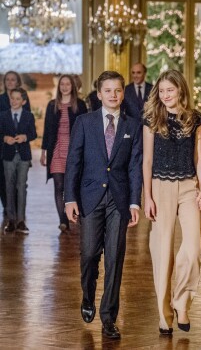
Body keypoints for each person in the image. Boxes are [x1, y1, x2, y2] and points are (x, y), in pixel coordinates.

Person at [64, 70, 143, 340]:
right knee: (88, 254)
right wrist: (69, 198)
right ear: (99, 94)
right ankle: (87, 296)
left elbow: (134, 167)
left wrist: (135, 202)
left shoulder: (133, 127)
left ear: (123, 93)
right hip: (89, 198)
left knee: (114, 259)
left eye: (118, 90)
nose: (113, 95)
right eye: (107, 90)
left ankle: (109, 318)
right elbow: (73, 161)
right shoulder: (84, 122)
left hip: (119, 202)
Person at [142, 69, 201, 335]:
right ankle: (164, 315)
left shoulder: (195, 118)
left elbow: (198, 157)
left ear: (181, 90)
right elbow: (146, 160)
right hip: (160, 187)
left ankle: (182, 302)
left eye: (170, 90)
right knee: (163, 252)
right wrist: (147, 196)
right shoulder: (151, 118)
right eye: (162, 91)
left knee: (193, 248)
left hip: (189, 186)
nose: (166, 95)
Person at [41, 75, 88, 232]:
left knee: (75, 184)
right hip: (56, 149)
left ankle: (77, 215)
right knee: (59, 186)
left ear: (72, 86)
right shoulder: (52, 105)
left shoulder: (80, 105)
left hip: (75, 150)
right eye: (62, 84)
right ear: (59, 86)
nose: (65, 86)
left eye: (68, 84)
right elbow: (47, 130)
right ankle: (63, 221)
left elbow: (86, 130)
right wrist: (43, 152)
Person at [0, 88, 36, 234]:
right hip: (8, 156)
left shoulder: (29, 116)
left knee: (21, 187)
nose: (14, 101)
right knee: (8, 186)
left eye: (17, 99)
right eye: (12, 98)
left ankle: (21, 220)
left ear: (24, 101)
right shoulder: (2, 116)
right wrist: (4, 138)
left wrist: (25, 137)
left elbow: (33, 133)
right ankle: (11, 220)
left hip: (23, 156)